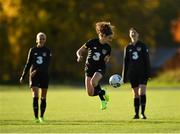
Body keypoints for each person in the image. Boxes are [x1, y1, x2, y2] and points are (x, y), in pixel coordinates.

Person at [76, 22, 114, 110]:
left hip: (100, 68)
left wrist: (107, 59)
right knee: (90, 93)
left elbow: (107, 59)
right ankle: (103, 92)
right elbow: (79, 51)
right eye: (109, 38)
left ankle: (103, 101)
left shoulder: (108, 48)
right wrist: (79, 56)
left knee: (94, 82)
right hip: (89, 68)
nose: (110, 40)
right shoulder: (92, 42)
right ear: (103, 35)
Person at [20, 32, 52, 123]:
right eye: (40, 38)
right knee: (35, 96)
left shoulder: (47, 51)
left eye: (43, 38)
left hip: (44, 75)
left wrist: (36, 70)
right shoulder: (32, 50)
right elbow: (28, 63)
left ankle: (41, 116)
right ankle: (36, 118)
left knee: (43, 97)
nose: (41, 40)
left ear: (45, 40)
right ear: (36, 39)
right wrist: (23, 76)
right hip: (34, 76)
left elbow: (47, 64)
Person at [122, 27, 151, 119]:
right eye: (131, 32)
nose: (133, 34)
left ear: (138, 34)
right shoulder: (127, 47)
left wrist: (148, 73)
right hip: (132, 74)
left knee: (142, 91)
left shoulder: (142, 46)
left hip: (142, 73)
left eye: (134, 32)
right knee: (135, 94)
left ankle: (143, 113)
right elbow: (125, 62)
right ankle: (136, 114)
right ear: (129, 35)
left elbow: (147, 60)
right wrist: (124, 77)